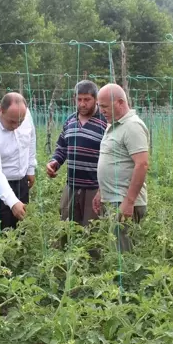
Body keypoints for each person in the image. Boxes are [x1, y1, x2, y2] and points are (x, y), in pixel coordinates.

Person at [92, 83, 150, 252]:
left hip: (123, 201)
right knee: (115, 252)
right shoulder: (113, 124)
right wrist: (101, 191)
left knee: (123, 256)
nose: (101, 111)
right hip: (112, 200)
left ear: (120, 102)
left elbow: (142, 164)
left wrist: (129, 202)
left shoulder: (132, 126)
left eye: (104, 106)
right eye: (99, 106)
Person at [46, 80, 107, 230]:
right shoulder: (70, 120)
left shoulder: (105, 122)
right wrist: (55, 162)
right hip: (72, 185)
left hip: (94, 187)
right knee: (66, 229)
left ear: (96, 99)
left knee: (91, 232)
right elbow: (62, 147)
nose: (82, 104)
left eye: (87, 100)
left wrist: (102, 189)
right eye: (79, 99)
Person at [0, 92, 37, 231]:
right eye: (12, 121)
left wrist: (30, 169)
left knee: (20, 229)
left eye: (20, 122)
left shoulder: (25, 114)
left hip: (20, 181)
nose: (16, 125)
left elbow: (31, 138)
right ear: (0, 111)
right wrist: (12, 201)